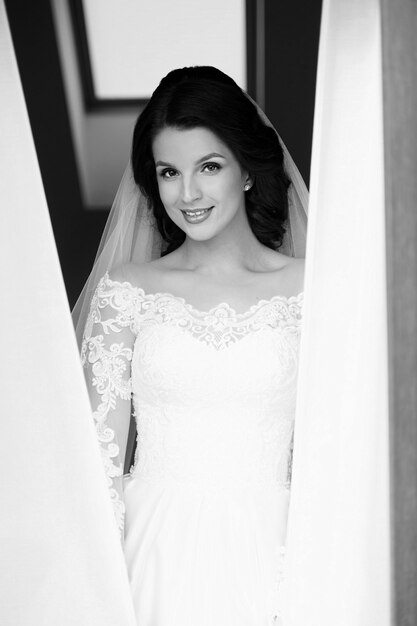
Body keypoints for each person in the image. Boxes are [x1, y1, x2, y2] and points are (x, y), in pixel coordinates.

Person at [72, 65, 307, 625]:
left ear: (247, 169)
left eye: (209, 166)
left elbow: (347, 444)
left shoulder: (315, 289)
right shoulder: (127, 293)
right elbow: (95, 460)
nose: (189, 192)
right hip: (154, 555)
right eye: (169, 172)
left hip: (283, 552)